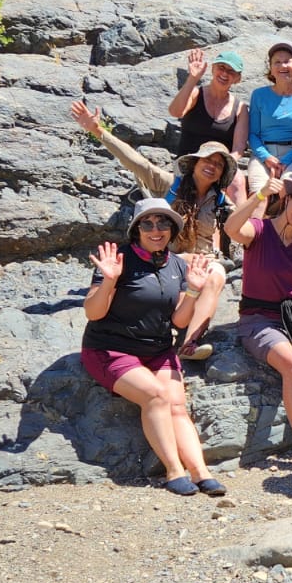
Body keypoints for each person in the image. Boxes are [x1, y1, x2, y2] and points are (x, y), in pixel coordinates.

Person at [81, 199, 225, 497]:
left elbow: (178, 319)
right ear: (137, 229)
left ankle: (201, 473)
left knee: (176, 404)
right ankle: (174, 471)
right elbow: (93, 313)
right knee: (156, 396)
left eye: (163, 224)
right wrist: (109, 281)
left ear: (172, 229)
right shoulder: (119, 260)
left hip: (158, 348)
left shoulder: (174, 264)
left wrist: (194, 290)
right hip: (110, 348)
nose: (156, 230)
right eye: (148, 224)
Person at [71, 101, 230, 360]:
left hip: (198, 264)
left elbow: (242, 226)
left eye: (219, 165)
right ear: (195, 162)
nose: (211, 166)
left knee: (215, 273)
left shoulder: (221, 202)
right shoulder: (170, 185)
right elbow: (136, 162)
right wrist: (98, 131)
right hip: (166, 260)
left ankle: (190, 342)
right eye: (207, 160)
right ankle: (188, 341)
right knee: (215, 272)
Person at [225, 176, 292, 466]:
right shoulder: (259, 231)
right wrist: (259, 196)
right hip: (259, 319)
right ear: (288, 199)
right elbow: (231, 228)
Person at [167, 48, 248, 204]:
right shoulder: (196, 94)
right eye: (221, 68)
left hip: (217, 165)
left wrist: (225, 167)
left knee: (237, 180)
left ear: (237, 78)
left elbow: (238, 148)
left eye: (231, 71)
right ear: (212, 69)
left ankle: (241, 226)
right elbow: (175, 111)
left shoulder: (240, 108)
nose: (225, 74)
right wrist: (192, 78)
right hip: (188, 162)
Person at [246, 41, 292, 196]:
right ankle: (254, 221)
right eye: (277, 62)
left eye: (287, 61)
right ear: (271, 69)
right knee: (258, 194)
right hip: (264, 154)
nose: (283, 66)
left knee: (286, 188)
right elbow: (253, 134)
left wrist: (286, 159)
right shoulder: (259, 95)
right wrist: (266, 157)